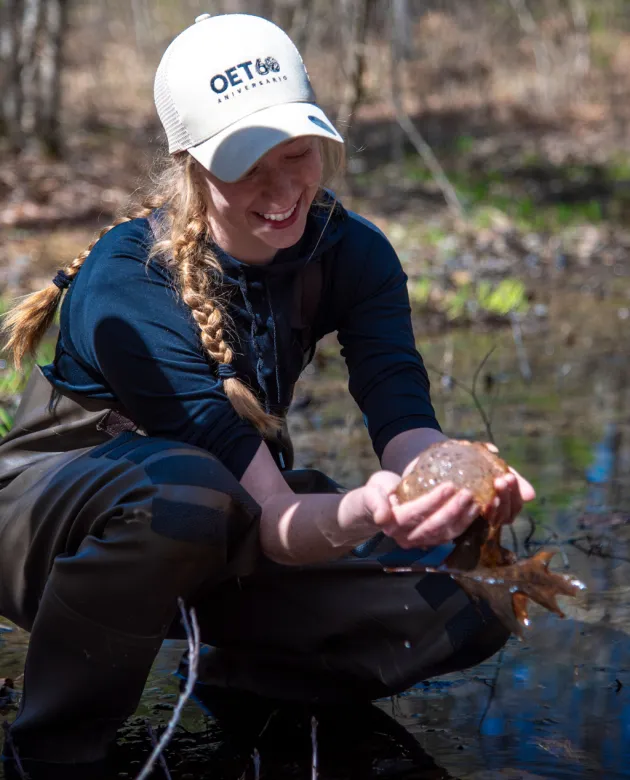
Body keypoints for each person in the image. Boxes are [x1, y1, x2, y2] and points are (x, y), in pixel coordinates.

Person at [0, 12, 535, 778]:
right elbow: (277, 520)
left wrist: (457, 472)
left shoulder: (353, 253)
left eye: (298, 153)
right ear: (189, 165)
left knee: (480, 596)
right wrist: (361, 510)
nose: (283, 189)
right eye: (247, 163)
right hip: (50, 533)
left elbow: (403, 417)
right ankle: (50, 755)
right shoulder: (127, 285)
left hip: (223, 520)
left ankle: (244, 683)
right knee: (186, 493)